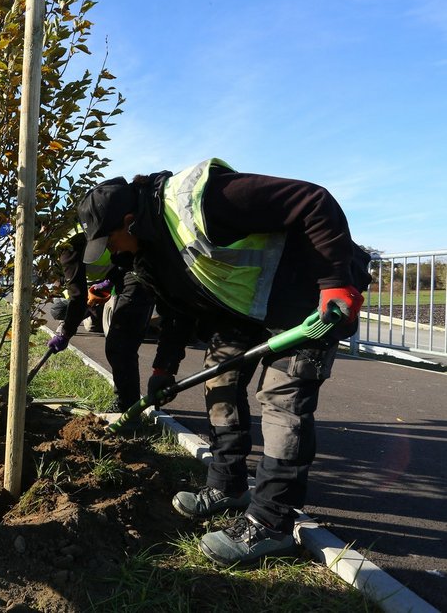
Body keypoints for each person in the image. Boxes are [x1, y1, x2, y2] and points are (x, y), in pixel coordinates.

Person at [78, 159, 369, 567]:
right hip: (245, 310)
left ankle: (271, 524)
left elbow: (312, 200)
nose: (109, 250)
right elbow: (179, 310)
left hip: (304, 297)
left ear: (128, 222)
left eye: (108, 240)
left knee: (282, 402)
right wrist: (165, 368)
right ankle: (228, 486)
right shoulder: (148, 254)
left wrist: (335, 281)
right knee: (220, 385)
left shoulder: (202, 199)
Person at [47, 226, 155, 412]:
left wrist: (66, 333)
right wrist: (108, 282)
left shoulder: (66, 247)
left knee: (119, 343)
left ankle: (126, 408)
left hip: (135, 270)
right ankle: (127, 403)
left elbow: (77, 297)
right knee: (115, 340)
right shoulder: (78, 231)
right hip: (120, 271)